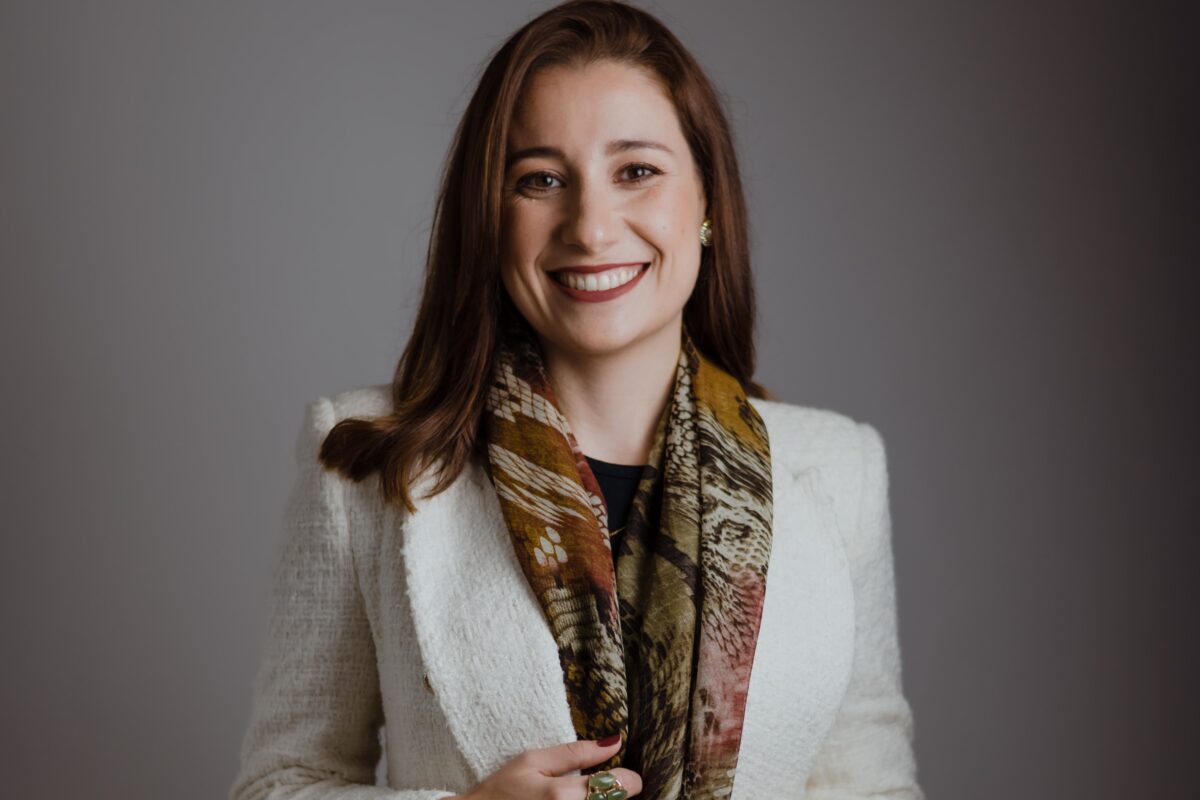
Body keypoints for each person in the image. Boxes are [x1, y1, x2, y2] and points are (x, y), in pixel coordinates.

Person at [228, 2, 923, 799]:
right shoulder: (366, 460)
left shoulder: (840, 470)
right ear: (489, 217)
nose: (591, 227)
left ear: (706, 204)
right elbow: (283, 782)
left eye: (636, 171)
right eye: (541, 180)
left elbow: (871, 786)